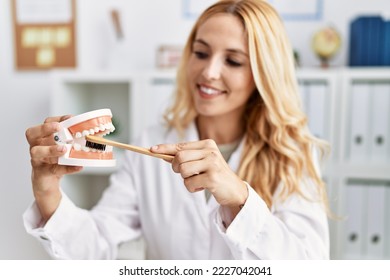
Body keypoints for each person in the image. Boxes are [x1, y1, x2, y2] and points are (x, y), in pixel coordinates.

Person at [24, 0, 330, 259]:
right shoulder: (151, 143)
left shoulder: (294, 153)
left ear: (264, 75)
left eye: (234, 61)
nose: (209, 72)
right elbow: (96, 246)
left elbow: (309, 264)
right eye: (201, 53)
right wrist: (47, 191)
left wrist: (239, 198)